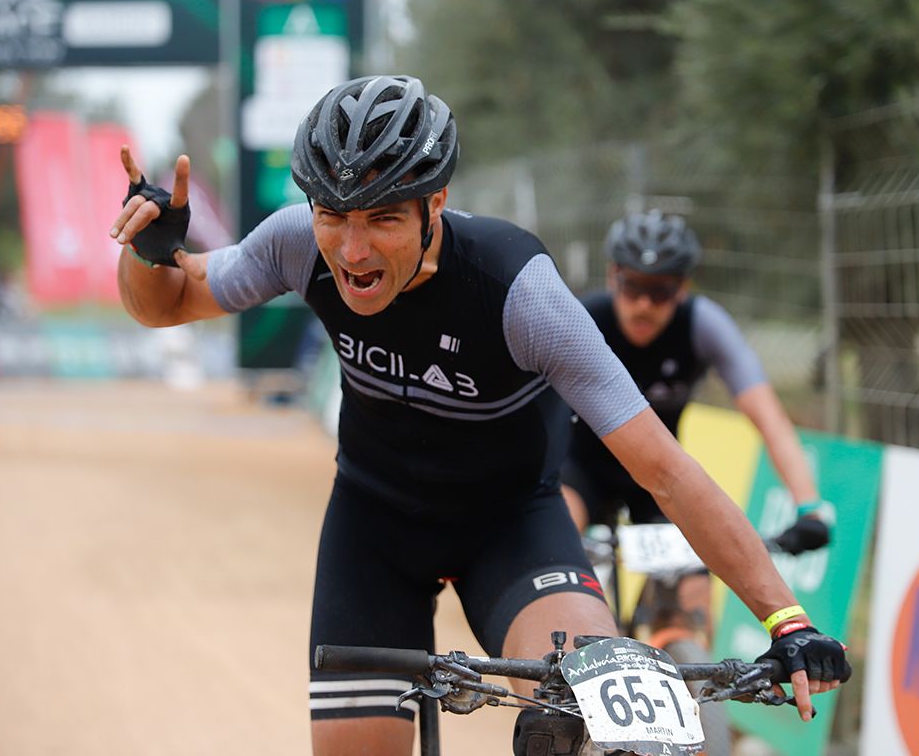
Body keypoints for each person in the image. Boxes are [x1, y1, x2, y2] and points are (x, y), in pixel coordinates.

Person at [108, 74, 849, 755]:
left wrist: (787, 620)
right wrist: (148, 253)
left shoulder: (520, 292)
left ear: (436, 202)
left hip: (512, 527)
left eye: (384, 218)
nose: (353, 250)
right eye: (333, 215)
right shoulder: (297, 245)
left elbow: (666, 470)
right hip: (375, 529)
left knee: (602, 706)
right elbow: (169, 302)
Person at [562, 209, 832, 555]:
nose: (644, 305)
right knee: (561, 548)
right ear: (612, 277)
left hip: (658, 473)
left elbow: (770, 418)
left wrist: (809, 507)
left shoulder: (704, 324)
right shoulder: (579, 319)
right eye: (633, 287)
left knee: (691, 587)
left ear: (682, 289)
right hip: (579, 469)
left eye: (660, 292)